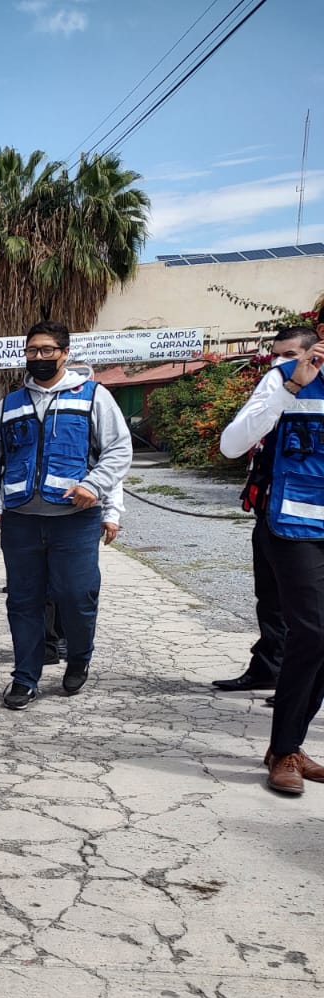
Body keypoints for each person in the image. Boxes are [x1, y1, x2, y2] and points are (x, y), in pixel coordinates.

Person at [0, 320, 132, 710]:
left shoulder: (93, 396)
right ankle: (25, 677)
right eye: (32, 350)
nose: (38, 357)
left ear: (64, 353)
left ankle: (79, 658)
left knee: (77, 595)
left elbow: (118, 449)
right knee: (23, 601)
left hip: (74, 520)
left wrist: (95, 486)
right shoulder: (10, 404)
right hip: (22, 520)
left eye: (47, 350)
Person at [218, 320, 324, 793]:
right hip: (294, 525)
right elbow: (231, 444)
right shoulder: (284, 377)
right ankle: (283, 751)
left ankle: (291, 745)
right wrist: (290, 386)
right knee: (313, 632)